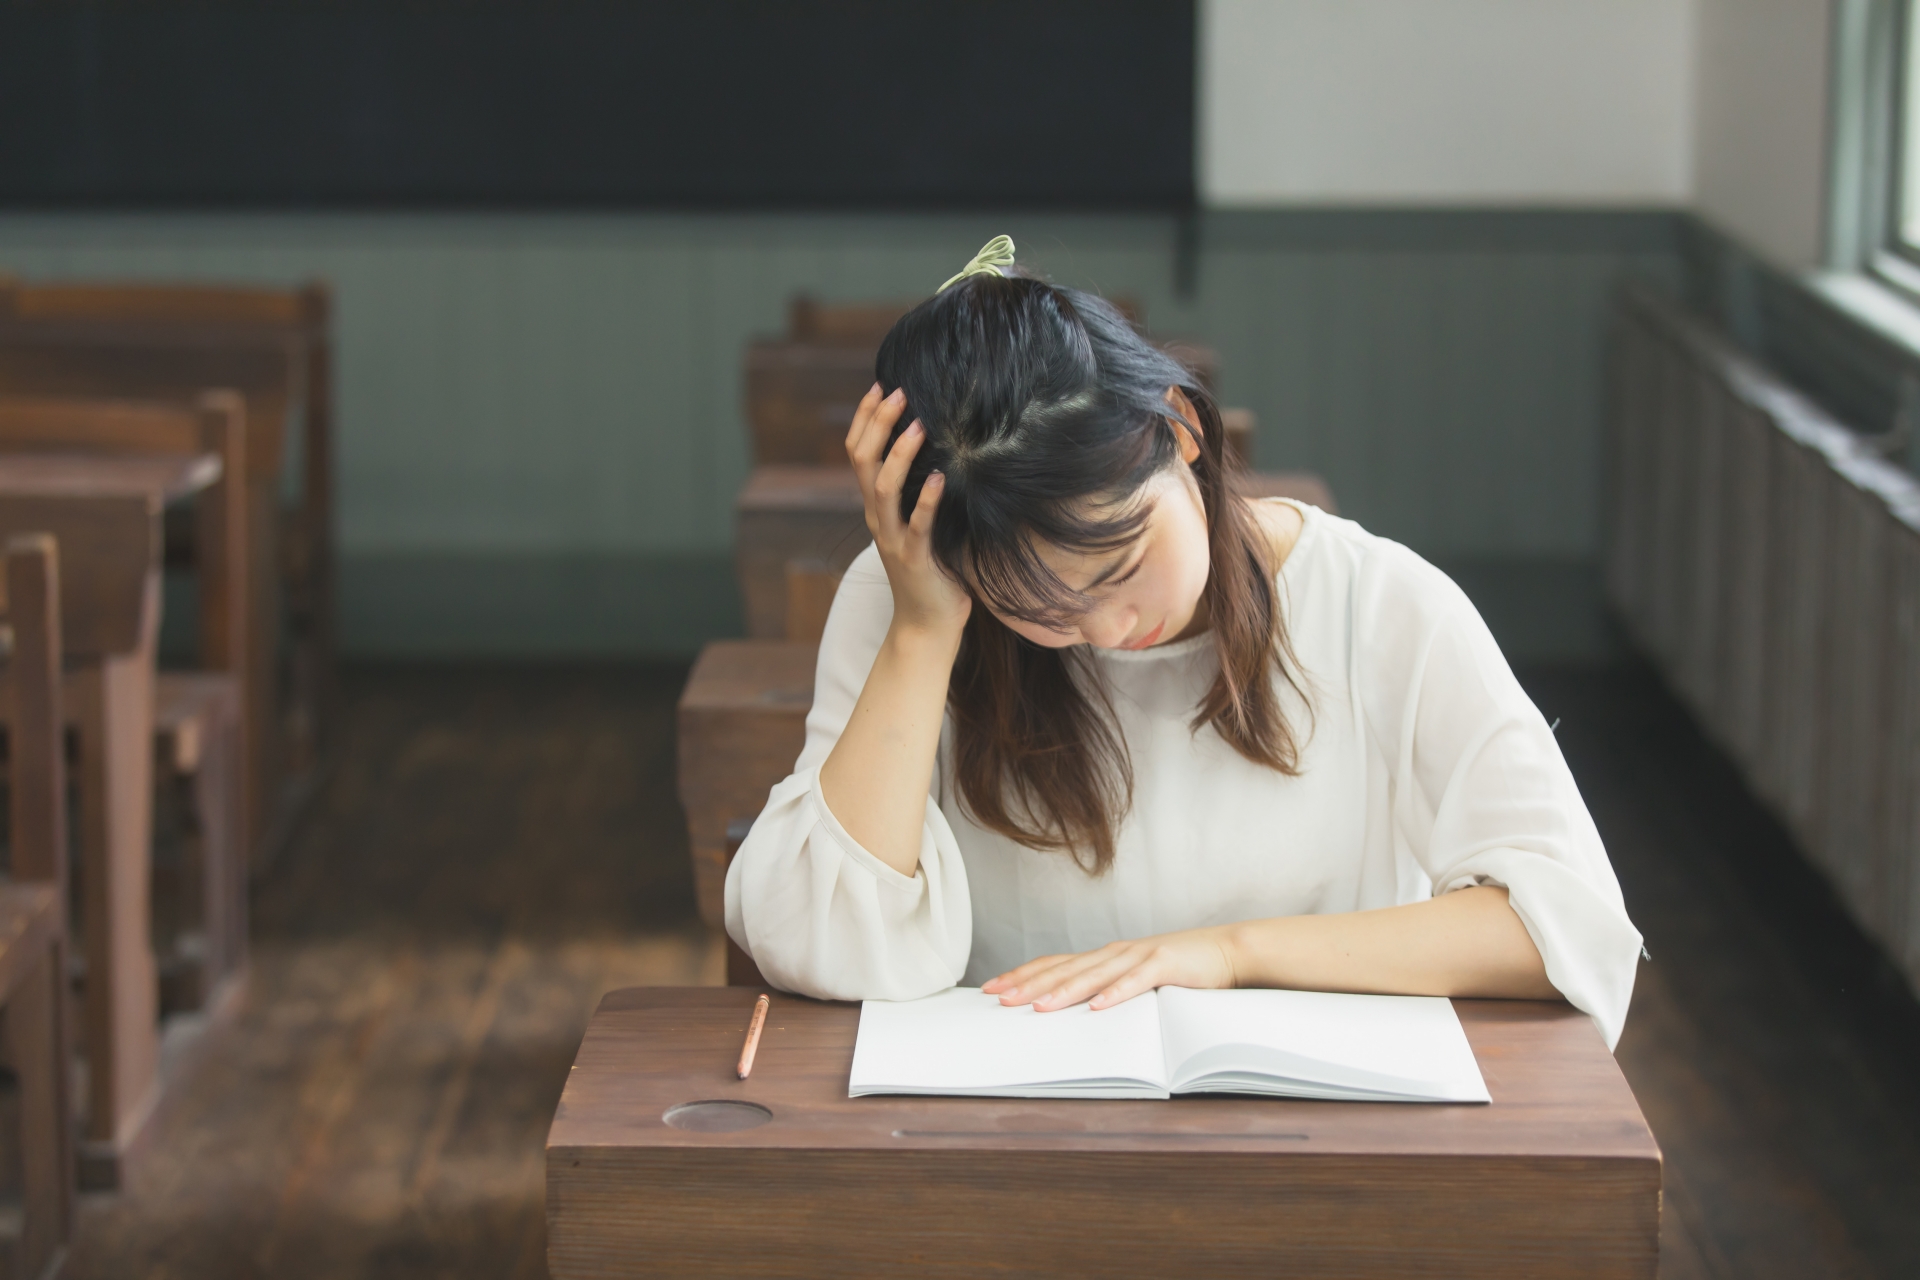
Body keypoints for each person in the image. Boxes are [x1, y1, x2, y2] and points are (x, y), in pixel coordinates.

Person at [725, 237, 1643, 1048]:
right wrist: (925, 629)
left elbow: (1562, 922)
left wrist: (1229, 955)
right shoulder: (915, 602)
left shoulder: (1377, 603)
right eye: (1034, 606)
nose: (1105, 630)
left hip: (1320, 1156)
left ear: (1182, 426)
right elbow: (823, 945)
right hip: (1010, 1156)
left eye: (1120, 564)